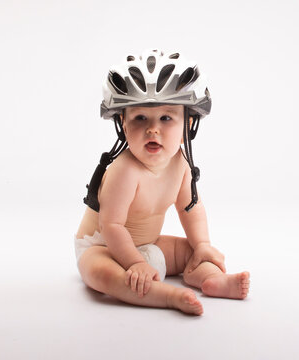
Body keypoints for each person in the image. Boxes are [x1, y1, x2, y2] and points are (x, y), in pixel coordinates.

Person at [75, 49, 250, 316]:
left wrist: (202, 243)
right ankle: (167, 296)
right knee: (101, 273)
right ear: (122, 123)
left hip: (150, 243)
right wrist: (135, 262)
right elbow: (110, 225)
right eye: (140, 118)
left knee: (192, 251)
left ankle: (210, 279)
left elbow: (191, 208)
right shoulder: (124, 170)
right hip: (105, 247)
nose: (152, 129)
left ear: (187, 125)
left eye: (166, 118)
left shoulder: (180, 164)